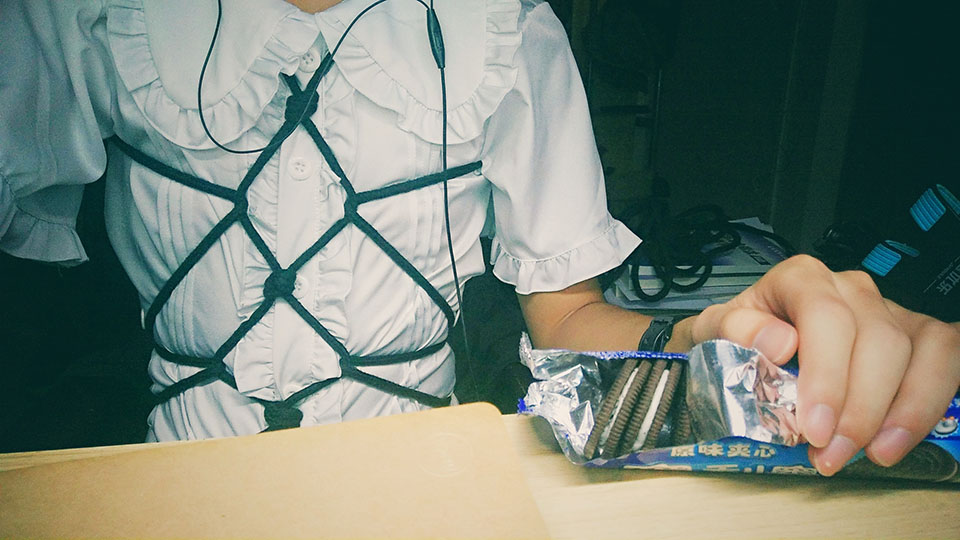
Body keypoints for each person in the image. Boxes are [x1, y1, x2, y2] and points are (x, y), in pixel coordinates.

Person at [1, 0, 956, 478]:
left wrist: (705, 334)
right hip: (175, 485)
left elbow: (566, 317)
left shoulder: (504, 28)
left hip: (427, 486)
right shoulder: (81, 21)